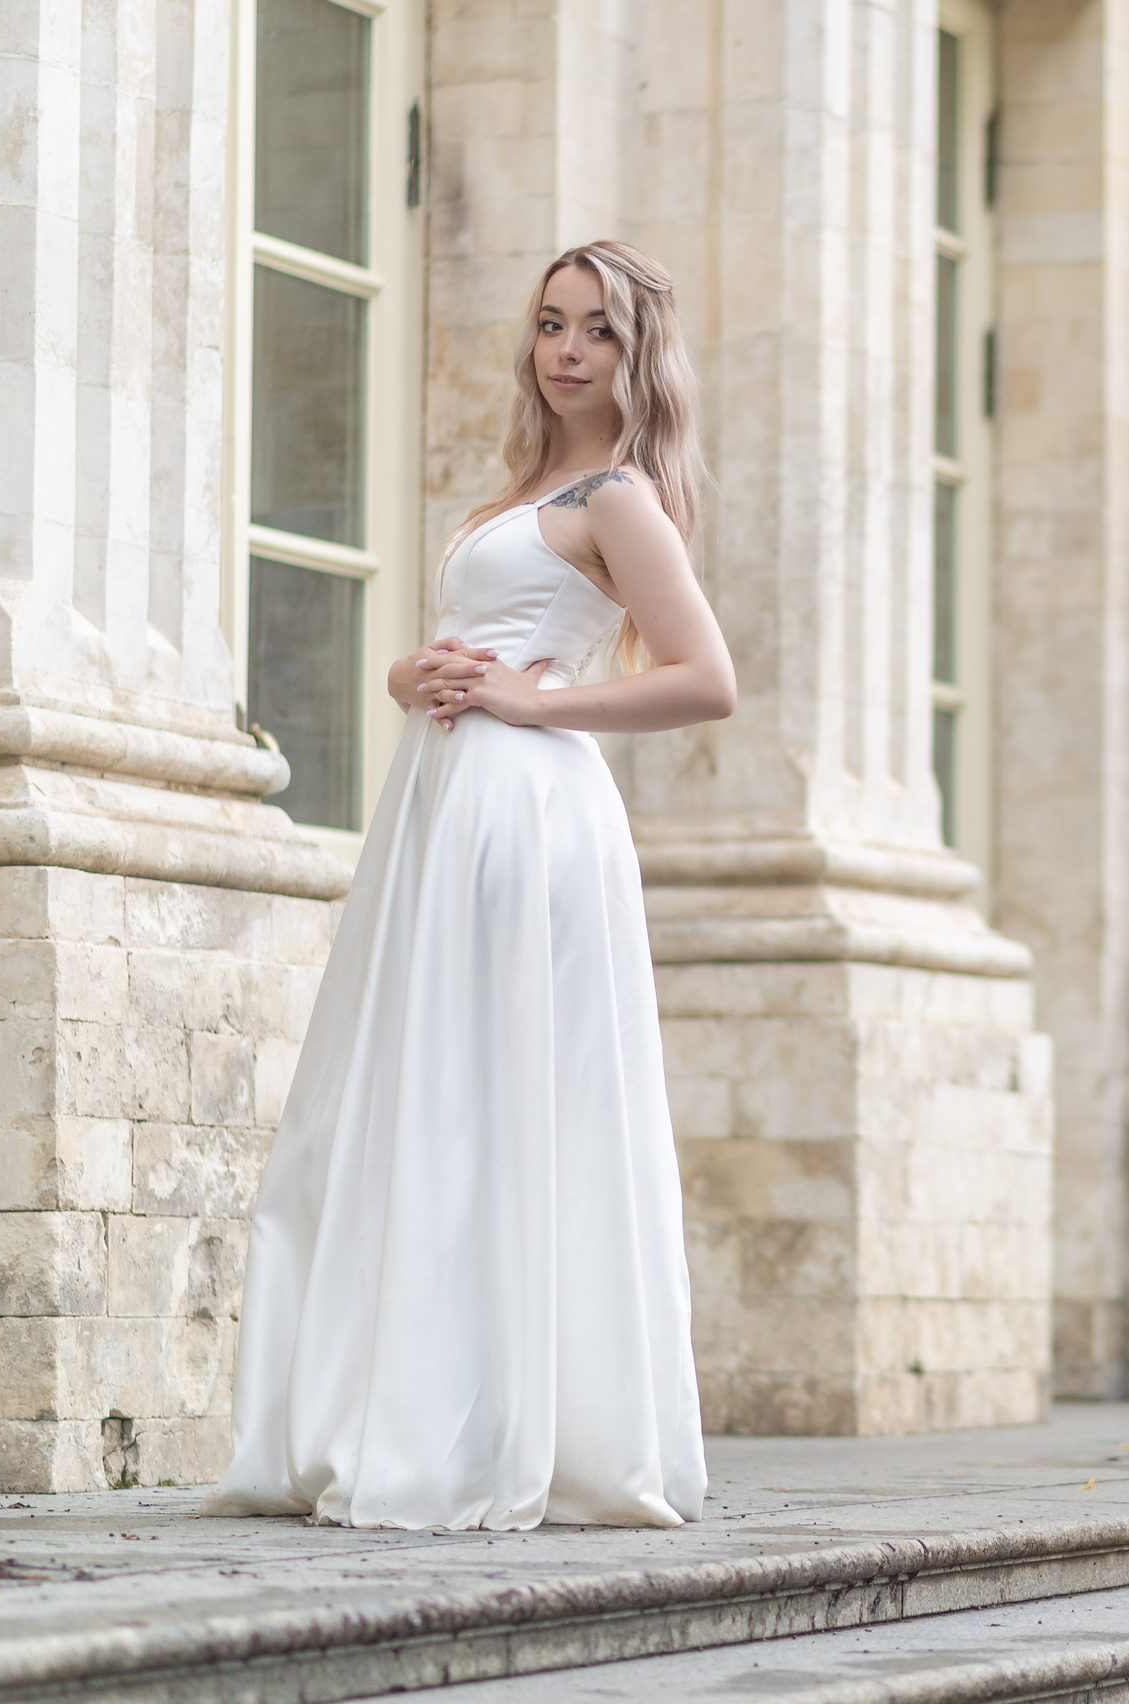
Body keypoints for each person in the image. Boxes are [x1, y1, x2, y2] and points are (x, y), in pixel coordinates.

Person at [203, 241, 734, 1531]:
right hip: (445, 809)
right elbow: (484, 648)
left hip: (525, 815)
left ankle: (497, 1433)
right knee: (413, 1097)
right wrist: (420, 677)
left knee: (489, 1100)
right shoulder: (524, 487)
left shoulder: (620, 495)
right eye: (551, 324)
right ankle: (402, 1409)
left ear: (636, 352)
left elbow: (705, 677)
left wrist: (524, 703)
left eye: (596, 331)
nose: (565, 351)